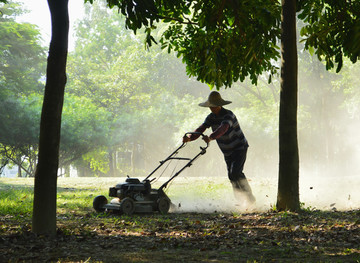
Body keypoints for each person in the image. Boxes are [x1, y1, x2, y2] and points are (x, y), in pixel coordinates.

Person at [183, 91, 256, 205]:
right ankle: (240, 200)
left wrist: (211, 137)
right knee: (231, 176)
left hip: (239, 147)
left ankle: (250, 198)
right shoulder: (211, 117)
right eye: (210, 107)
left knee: (236, 172)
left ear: (219, 105)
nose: (212, 109)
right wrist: (190, 138)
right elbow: (201, 128)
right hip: (227, 150)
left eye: (214, 106)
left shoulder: (229, 115)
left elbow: (223, 128)